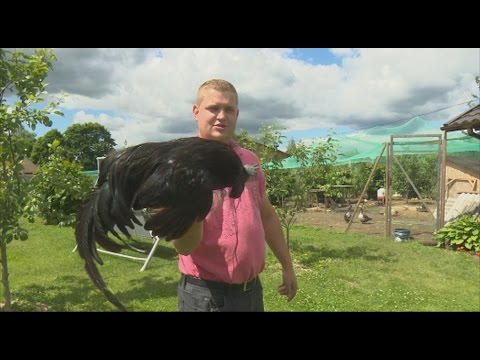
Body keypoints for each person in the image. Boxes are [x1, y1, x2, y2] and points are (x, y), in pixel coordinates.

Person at [172, 79, 298, 312]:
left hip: (250, 294)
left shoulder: (249, 160)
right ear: (196, 111)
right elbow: (183, 247)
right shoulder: (181, 165)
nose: (222, 116)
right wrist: (194, 208)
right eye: (213, 108)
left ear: (237, 114)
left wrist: (287, 266)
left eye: (229, 109)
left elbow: (267, 216)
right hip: (204, 296)